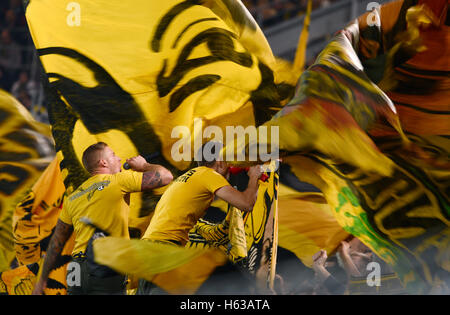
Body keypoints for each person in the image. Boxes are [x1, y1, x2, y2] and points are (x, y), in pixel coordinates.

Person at [32, 142, 173, 295]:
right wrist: (144, 165)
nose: (119, 159)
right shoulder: (119, 180)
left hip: (76, 269)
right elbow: (166, 176)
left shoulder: (72, 198)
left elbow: (56, 242)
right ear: (103, 162)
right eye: (113, 155)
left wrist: (42, 280)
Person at [137, 142, 263, 293]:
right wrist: (254, 177)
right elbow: (247, 204)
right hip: (163, 251)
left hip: (149, 252)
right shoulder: (208, 175)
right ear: (220, 162)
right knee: (232, 282)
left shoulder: (188, 178)